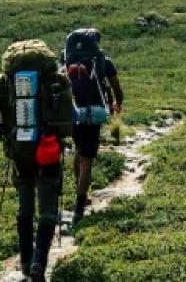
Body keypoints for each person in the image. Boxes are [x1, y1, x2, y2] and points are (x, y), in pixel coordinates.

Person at [0, 39, 75, 281]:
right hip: (47, 150)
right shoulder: (55, 81)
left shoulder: (6, 82)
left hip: (19, 151)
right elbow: (67, 125)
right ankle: (39, 263)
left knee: (24, 206)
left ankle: (25, 262)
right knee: (47, 210)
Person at [62, 27, 123, 228]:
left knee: (79, 149)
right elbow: (116, 88)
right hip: (93, 112)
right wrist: (117, 105)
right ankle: (80, 206)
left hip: (71, 112)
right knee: (87, 158)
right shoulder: (103, 62)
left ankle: (80, 191)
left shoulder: (66, 60)